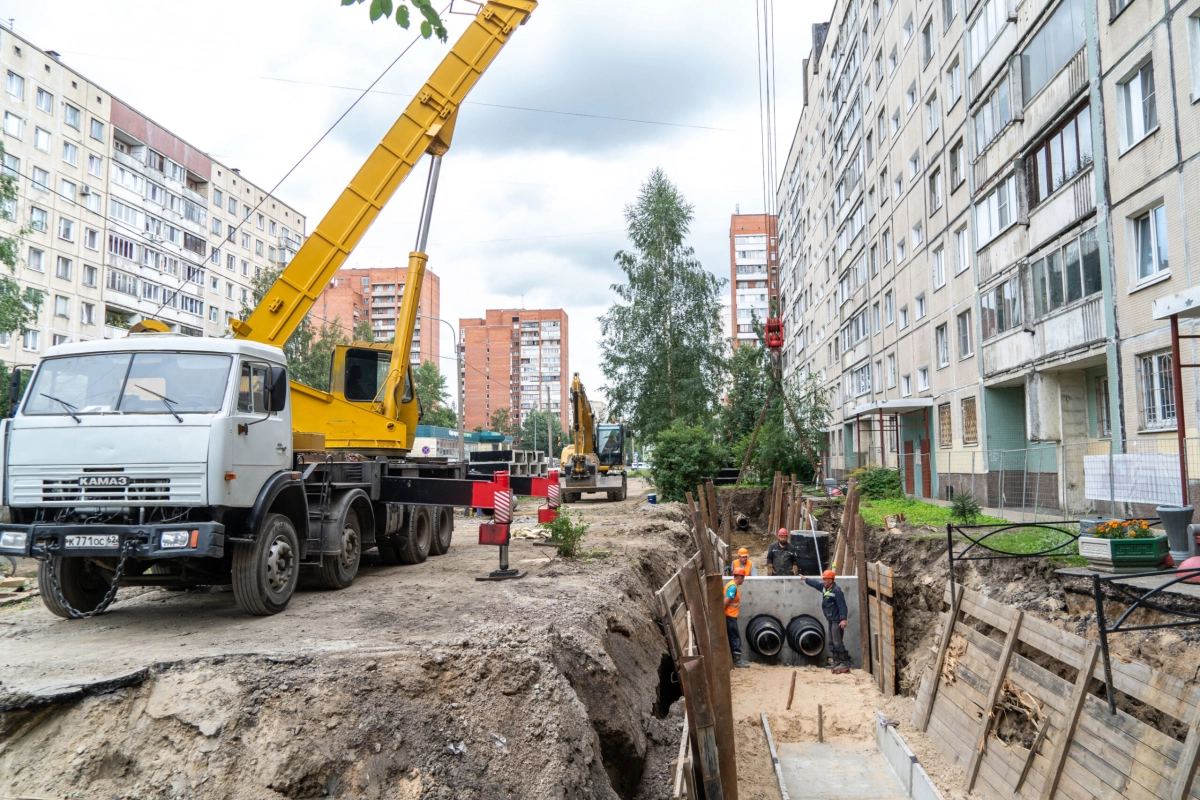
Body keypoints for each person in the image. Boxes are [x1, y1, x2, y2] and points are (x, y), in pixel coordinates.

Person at [801, 569, 850, 670]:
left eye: (826, 579)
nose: (824, 581)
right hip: (830, 620)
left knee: (837, 642)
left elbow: (842, 606)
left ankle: (844, 663)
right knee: (831, 642)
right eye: (823, 579)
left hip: (837, 620)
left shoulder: (837, 591)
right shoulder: (825, 588)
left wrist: (843, 619)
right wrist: (806, 579)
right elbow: (816, 584)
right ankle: (836, 662)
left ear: (831, 580)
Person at [724, 567, 749, 667]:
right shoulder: (733, 587)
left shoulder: (732, 585)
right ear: (739, 577)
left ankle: (737, 659)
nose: (744, 580)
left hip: (730, 616)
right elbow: (725, 602)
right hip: (730, 616)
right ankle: (737, 661)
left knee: (733, 636)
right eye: (743, 577)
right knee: (735, 637)